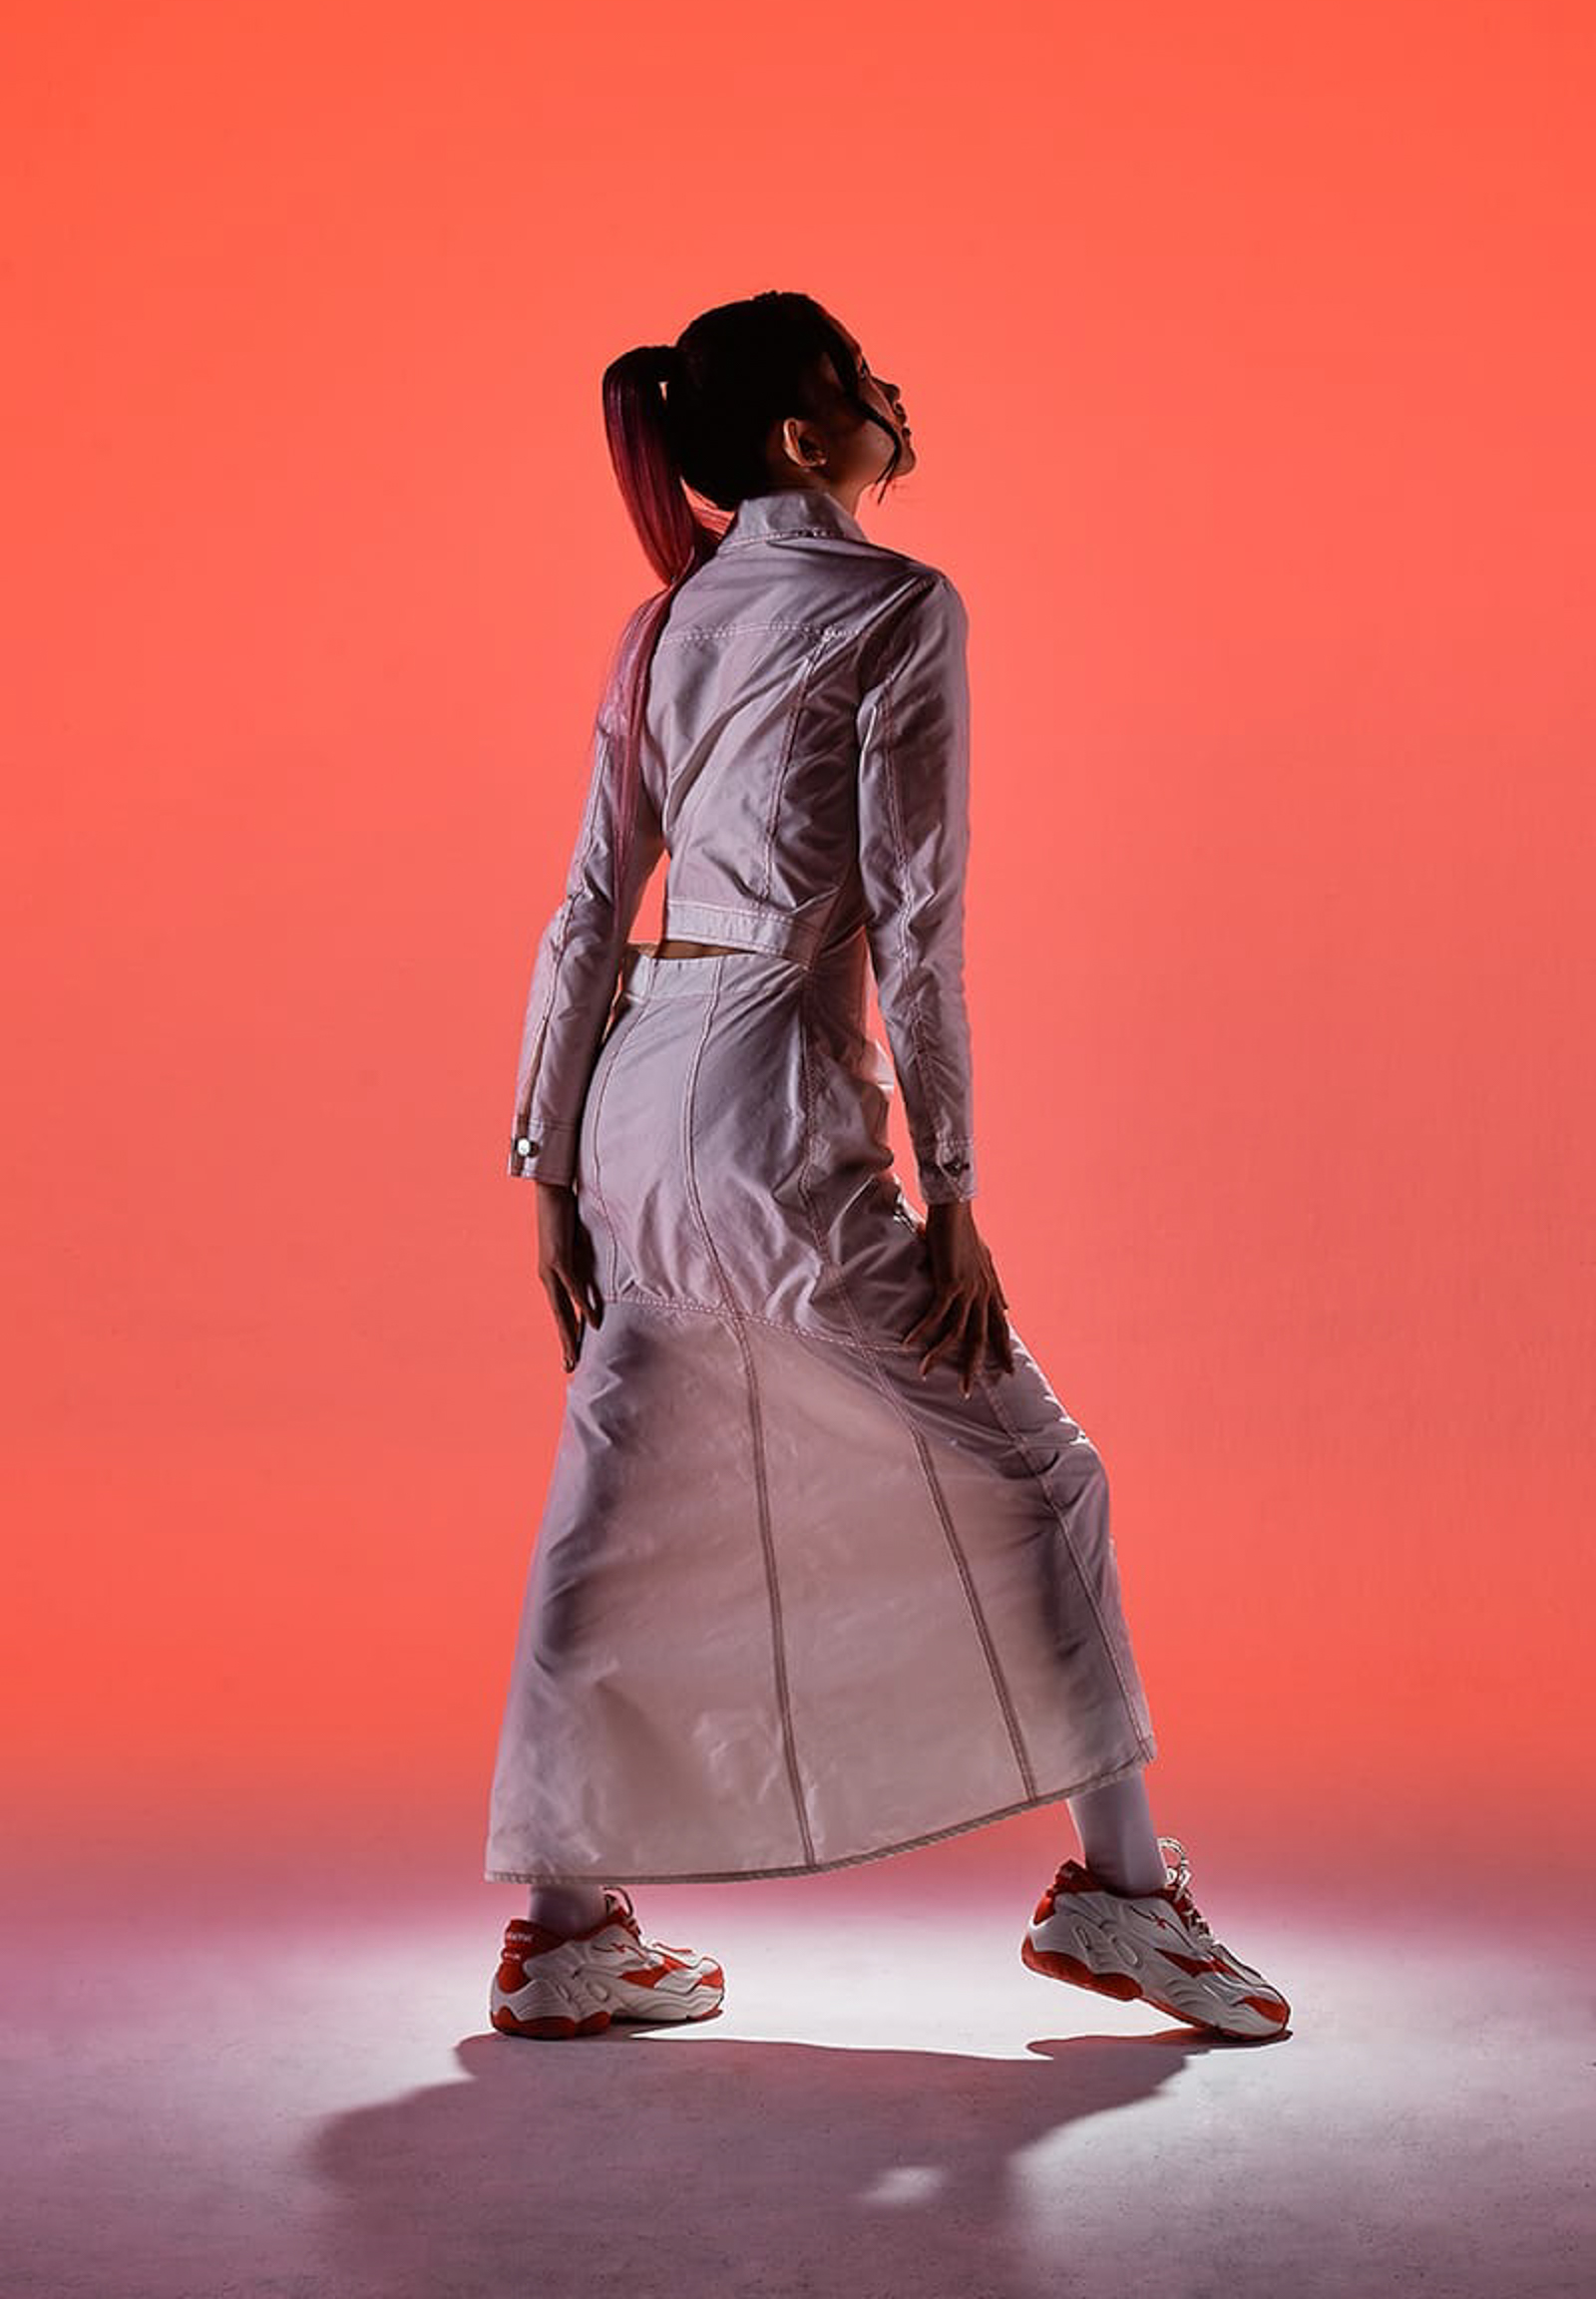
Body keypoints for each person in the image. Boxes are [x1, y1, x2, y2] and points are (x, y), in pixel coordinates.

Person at [483, 290, 1290, 2042]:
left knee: (618, 1505)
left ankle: (564, 1934)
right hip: (770, 1096)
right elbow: (919, 923)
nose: (887, 396)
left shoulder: (661, 621)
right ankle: (1123, 1898)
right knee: (1041, 1474)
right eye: (859, 379)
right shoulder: (899, 605)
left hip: (633, 1097)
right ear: (803, 436)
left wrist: (545, 1160)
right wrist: (961, 1193)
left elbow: (588, 901)